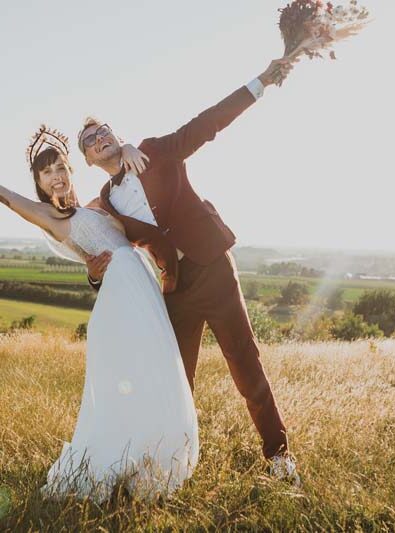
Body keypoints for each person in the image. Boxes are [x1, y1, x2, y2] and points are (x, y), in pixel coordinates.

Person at [79, 57, 300, 484]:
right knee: (176, 381)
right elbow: (102, 253)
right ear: (88, 159)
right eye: (90, 139)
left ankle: (278, 456)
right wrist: (93, 272)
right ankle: (172, 466)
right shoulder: (105, 207)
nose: (100, 137)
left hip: (213, 268)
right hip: (175, 289)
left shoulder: (155, 151)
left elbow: (207, 123)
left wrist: (262, 82)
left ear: (117, 136)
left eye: (104, 130)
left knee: (245, 363)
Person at [0, 128, 199, 503]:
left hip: (141, 287)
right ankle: (118, 455)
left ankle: (152, 459)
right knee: (129, 381)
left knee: (157, 373)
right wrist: (94, 271)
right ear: (40, 184)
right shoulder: (49, 216)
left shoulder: (97, 204)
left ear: (72, 169)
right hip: (121, 298)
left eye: (60, 166)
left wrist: (124, 146)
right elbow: (7, 197)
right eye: (47, 173)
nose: (56, 175)